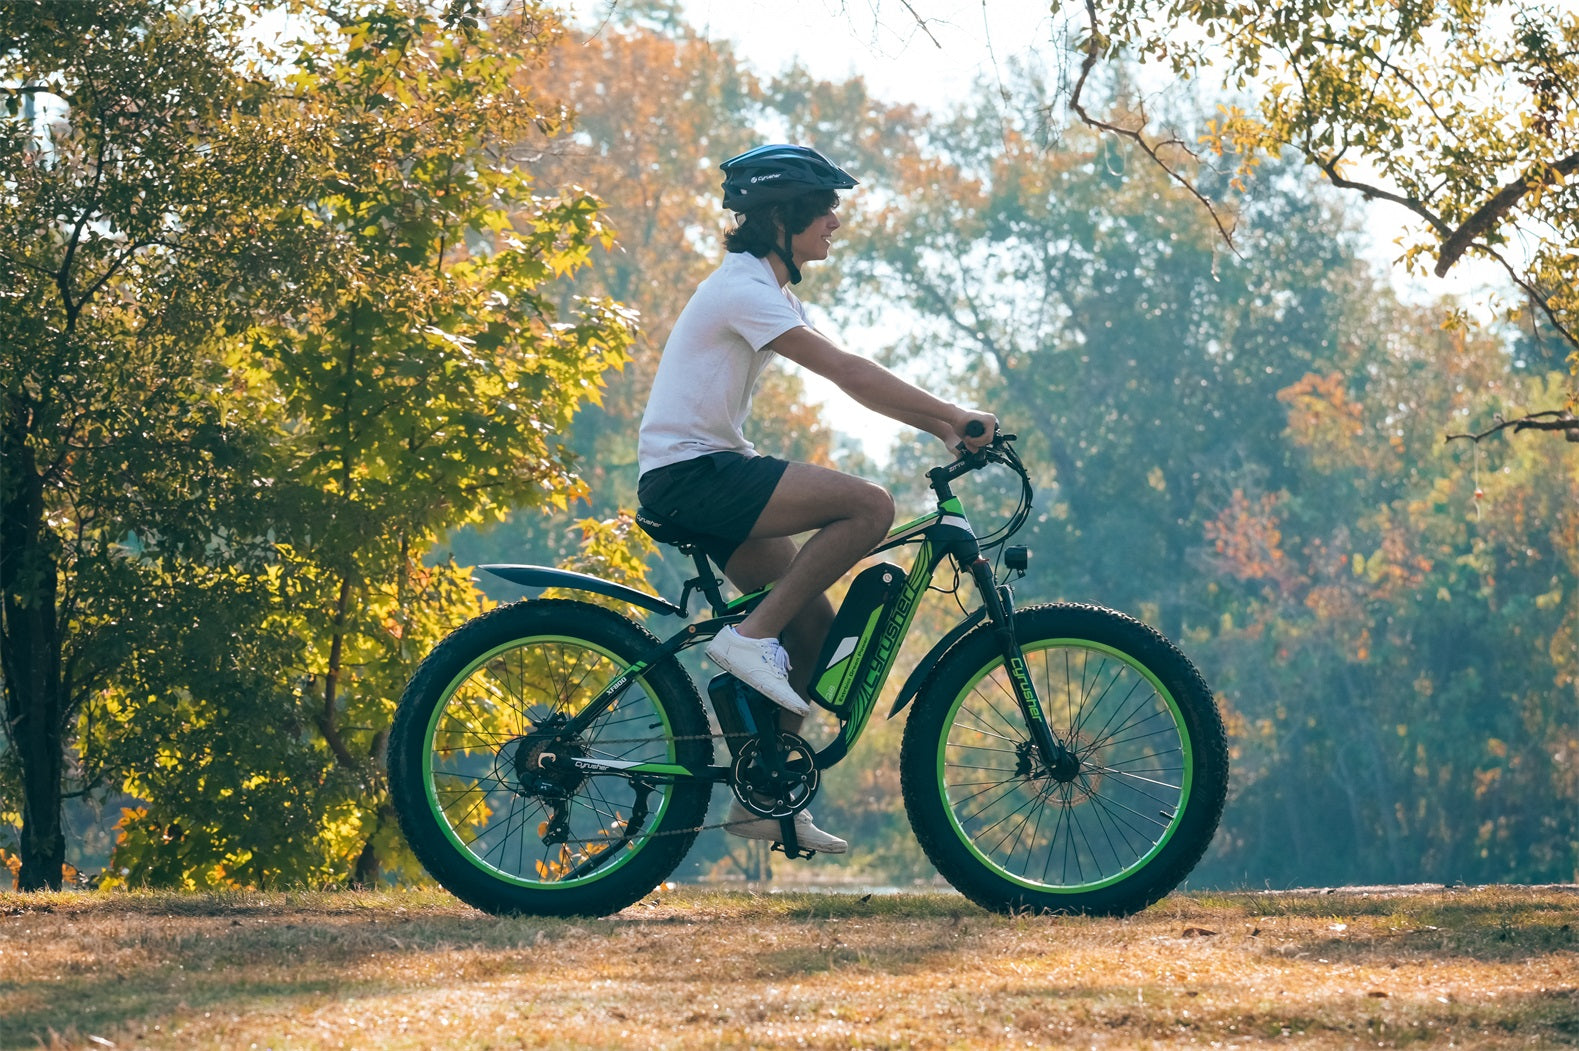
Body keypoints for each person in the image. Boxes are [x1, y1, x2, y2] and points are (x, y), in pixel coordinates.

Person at [636, 144, 997, 853]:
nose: (835, 221)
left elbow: (856, 380)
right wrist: (953, 412)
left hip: (708, 470)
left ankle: (764, 804)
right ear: (781, 218)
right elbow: (847, 371)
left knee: (811, 630)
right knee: (869, 507)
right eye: (822, 208)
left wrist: (944, 428)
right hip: (693, 474)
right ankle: (746, 640)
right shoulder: (742, 288)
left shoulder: (769, 291)